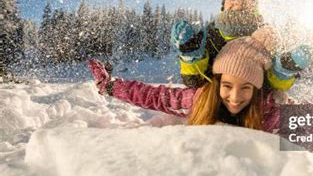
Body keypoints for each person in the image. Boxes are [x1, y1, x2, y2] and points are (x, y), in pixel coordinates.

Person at [88, 30, 281, 133]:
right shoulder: (200, 99)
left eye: (245, 88)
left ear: (256, 89)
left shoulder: (270, 111)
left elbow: (307, 124)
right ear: (217, 83)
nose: (235, 96)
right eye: (227, 86)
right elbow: (154, 96)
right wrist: (111, 86)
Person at [171, 0, 313, 91]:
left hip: (254, 111)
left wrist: (283, 71)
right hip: (213, 107)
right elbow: (195, 83)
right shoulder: (209, 34)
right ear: (223, 4)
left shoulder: (267, 36)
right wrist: (191, 58)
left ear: (255, 6)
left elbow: (274, 89)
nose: (238, 2)